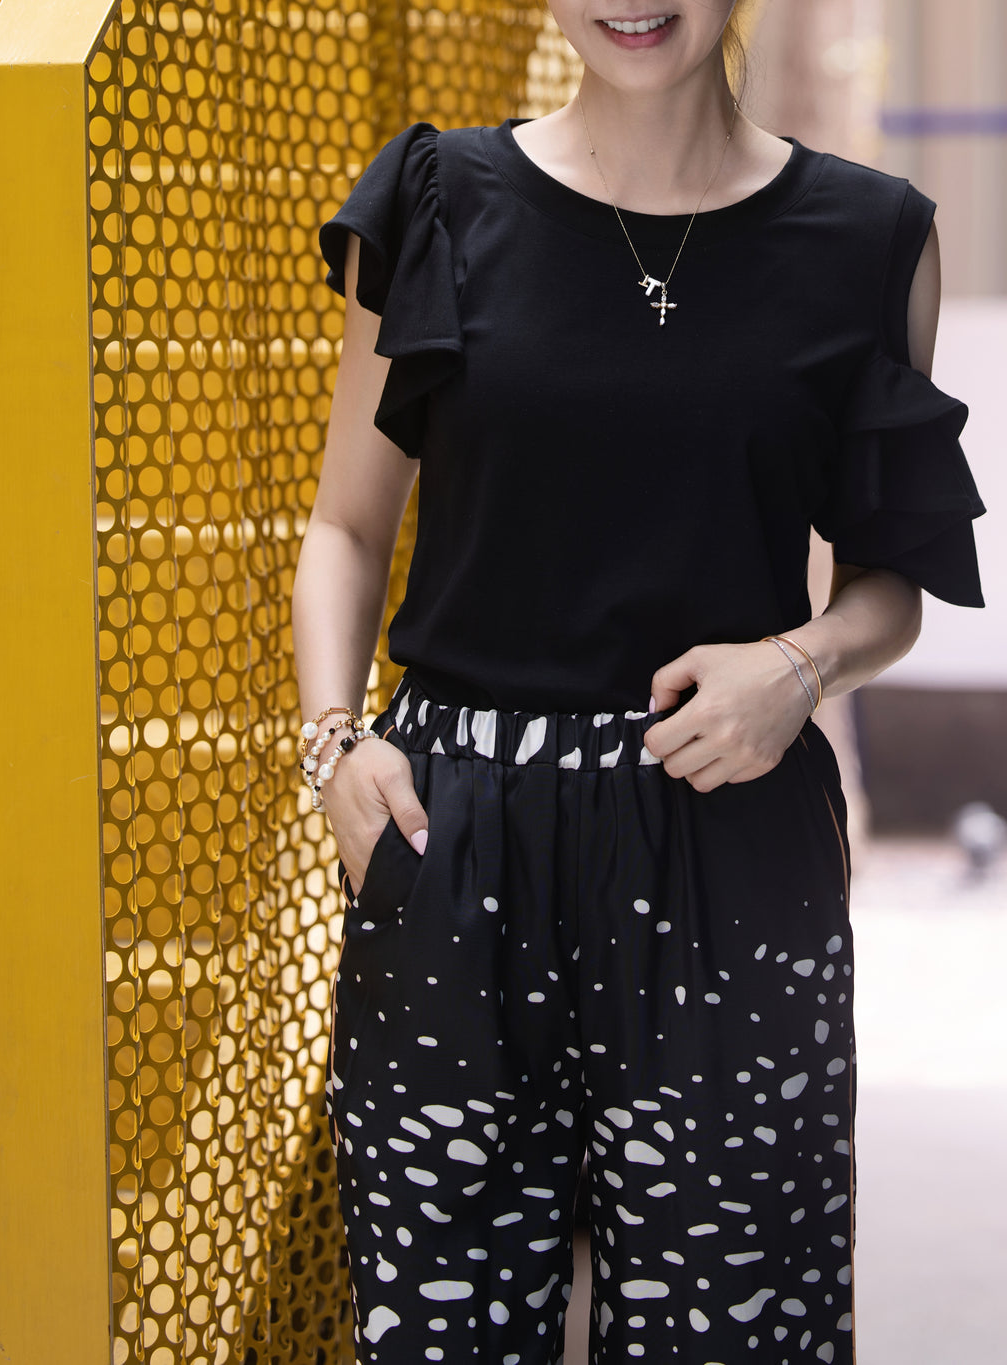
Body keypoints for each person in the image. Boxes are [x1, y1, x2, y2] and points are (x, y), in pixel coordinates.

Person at [292, 2, 984, 1360]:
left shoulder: (870, 240)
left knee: (737, 1328)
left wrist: (800, 665)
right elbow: (345, 528)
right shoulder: (438, 200)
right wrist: (333, 744)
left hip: (729, 842)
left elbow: (891, 584)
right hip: (454, 845)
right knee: (441, 1330)